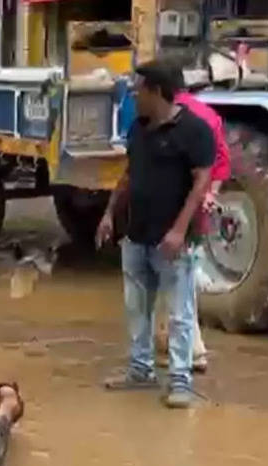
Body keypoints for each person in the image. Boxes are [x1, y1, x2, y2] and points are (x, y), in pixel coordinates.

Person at [96, 61, 215, 409]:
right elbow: (130, 174)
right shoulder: (139, 128)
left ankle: (180, 380)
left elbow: (201, 182)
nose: (134, 95)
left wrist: (179, 230)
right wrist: (109, 214)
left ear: (157, 92)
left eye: (139, 90)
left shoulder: (195, 131)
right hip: (137, 235)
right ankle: (140, 370)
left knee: (179, 313)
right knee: (137, 308)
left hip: (174, 242)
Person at [154, 73, 233, 374]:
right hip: (197, 211)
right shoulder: (210, 116)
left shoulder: (163, 116)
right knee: (185, 274)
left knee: (173, 281)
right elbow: (222, 162)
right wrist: (210, 194)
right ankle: (178, 346)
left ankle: (188, 351)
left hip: (170, 210)